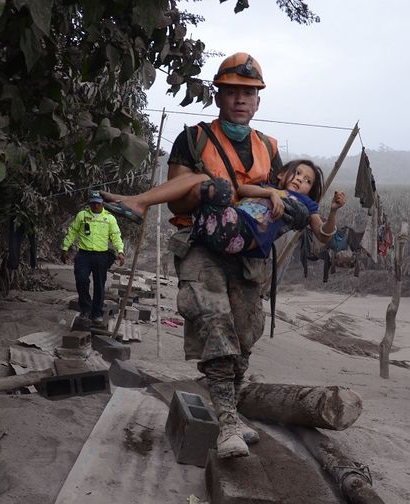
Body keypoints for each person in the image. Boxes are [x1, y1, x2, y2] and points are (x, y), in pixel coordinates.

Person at [115, 52, 342, 459]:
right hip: (202, 243)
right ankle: (228, 422)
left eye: (249, 93)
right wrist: (210, 192)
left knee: (245, 330)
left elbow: (284, 203)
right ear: (219, 96)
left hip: (249, 253)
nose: (241, 99)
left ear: (258, 102)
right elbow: (179, 193)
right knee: (213, 321)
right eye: (233, 91)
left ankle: (230, 408)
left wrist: (291, 209)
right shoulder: (194, 138)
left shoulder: (270, 149)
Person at [101, 159, 347, 258]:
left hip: (240, 235)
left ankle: (139, 202)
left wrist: (334, 210)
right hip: (221, 223)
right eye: (298, 173)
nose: (301, 180)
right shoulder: (267, 188)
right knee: (205, 182)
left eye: (308, 181)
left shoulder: (306, 204)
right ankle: (138, 201)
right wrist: (271, 192)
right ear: (282, 174)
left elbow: (323, 235)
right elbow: (242, 190)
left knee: (208, 183)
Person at [60, 191, 125, 327]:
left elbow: (115, 236)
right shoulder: (82, 216)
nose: (95, 205)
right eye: (93, 202)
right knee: (82, 280)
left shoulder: (109, 219)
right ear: (89, 202)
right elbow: (72, 232)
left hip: (101, 256)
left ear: (102, 203)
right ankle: (85, 309)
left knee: (99, 285)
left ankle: (97, 313)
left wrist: (120, 251)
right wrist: (65, 248)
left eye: (98, 203)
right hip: (84, 255)